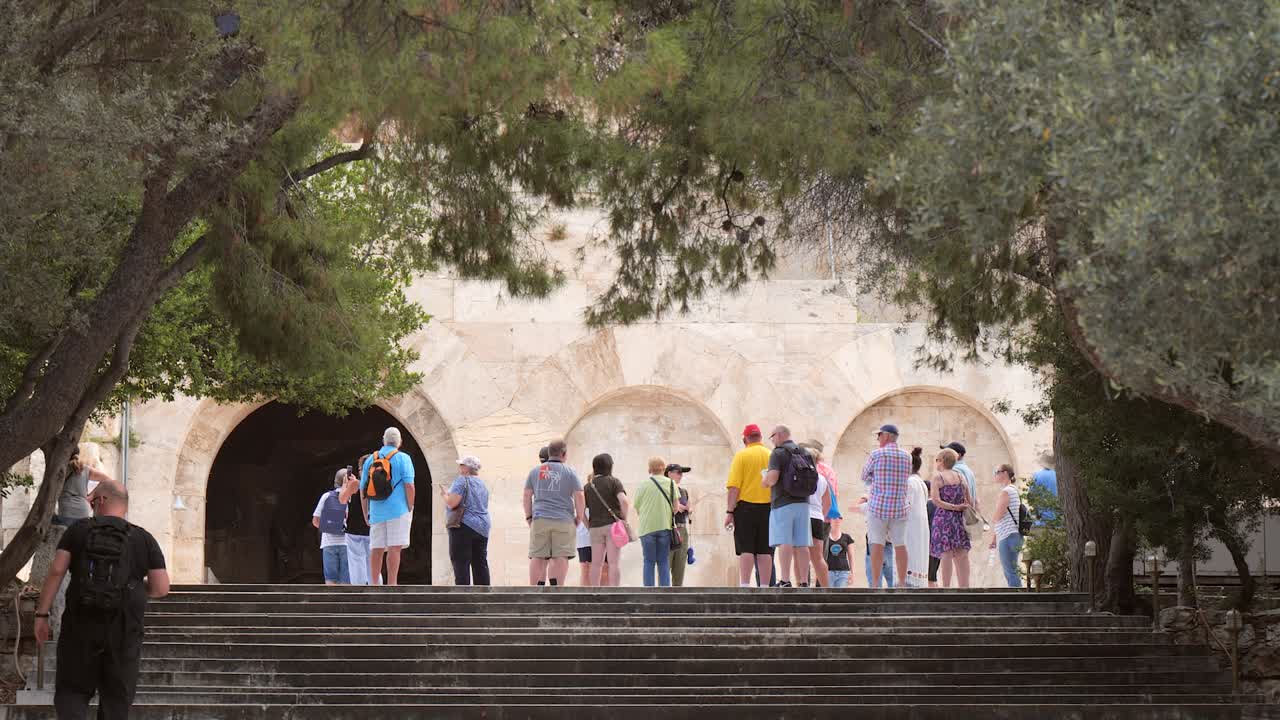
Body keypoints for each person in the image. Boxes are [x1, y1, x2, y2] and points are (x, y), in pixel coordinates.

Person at [34, 480, 169, 720]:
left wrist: (42, 615)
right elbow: (161, 588)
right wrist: (132, 588)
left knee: (72, 693)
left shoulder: (78, 530)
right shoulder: (144, 538)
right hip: (124, 632)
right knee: (116, 702)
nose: (91, 503)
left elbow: (56, 571)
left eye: (93, 498)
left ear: (102, 500)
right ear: (124, 506)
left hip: (80, 626)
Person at [524, 439, 586, 586]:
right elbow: (579, 495)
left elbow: (527, 495)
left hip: (540, 519)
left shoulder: (534, 472)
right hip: (564, 520)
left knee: (537, 556)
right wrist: (579, 516)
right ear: (563, 454)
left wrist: (529, 517)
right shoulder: (570, 472)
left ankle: (534, 591)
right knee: (561, 556)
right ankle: (556, 590)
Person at [360, 427, 416, 586]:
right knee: (394, 547)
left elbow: (363, 489)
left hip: (377, 511)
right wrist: (410, 506)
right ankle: (392, 584)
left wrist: (366, 513)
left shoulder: (371, 459)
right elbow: (409, 485)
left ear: (383, 440)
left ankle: (374, 584)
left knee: (376, 548)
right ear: (400, 442)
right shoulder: (403, 458)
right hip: (398, 510)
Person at [859, 424, 911, 587]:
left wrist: (874, 480)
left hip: (878, 507)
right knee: (900, 544)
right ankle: (902, 581)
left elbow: (864, 475)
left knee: (876, 545)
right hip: (899, 507)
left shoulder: (876, 454)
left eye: (879, 435)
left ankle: (875, 583)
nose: (878, 438)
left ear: (887, 436)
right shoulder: (907, 456)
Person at [724, 424, 774, 587]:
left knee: (746, 548)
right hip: (768, 507)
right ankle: (765, 586)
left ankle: (745, 584)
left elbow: (734, 487)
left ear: (745, 439)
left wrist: (729, 511)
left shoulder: (741, 456)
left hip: (745, 508)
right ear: (760, 437)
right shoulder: (771, 455)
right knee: (765, 550)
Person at [762, 425, 811, 587]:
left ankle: (785, 580)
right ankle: (804, 581)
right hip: (803, 502)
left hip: (783, 502)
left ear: (779, 435)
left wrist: (765, 480)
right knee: (802, 543)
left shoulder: (778, 453)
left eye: (772, 437)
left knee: (785, 541)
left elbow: (773, 479)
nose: (772, 441)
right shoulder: (805, 452)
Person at [443, 455, 491, 586]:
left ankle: (463, 597)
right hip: (483, 527)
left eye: (461, 465)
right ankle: (483, 596)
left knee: (460, 563)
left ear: (466, 468)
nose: (459, 467)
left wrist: (445, 496)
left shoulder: (461, 481)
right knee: (480, 563)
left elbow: (453, 503)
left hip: (463, 525)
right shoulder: (482, 484)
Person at [930, 447, 973, 587]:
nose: (936, 463)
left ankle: (946, 588)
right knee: (962, 553)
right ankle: (965, 587)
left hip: (943, 518)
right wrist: (959, 507)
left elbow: (936, 500)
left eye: (937, 460)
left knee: (946, 553)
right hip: (959, 519)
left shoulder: (938, 477)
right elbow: (969, 501)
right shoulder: (961, 477)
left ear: (942, 461)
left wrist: (953, 507)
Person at [585, 453, 629, 587]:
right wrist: (623, 519)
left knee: (596, 563)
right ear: (609, 466)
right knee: (613, 563)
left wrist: (588, 526)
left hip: (595, 527)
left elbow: (580, 511)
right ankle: (614, 591)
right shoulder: (614, 481)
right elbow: (624, 501)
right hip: (613, 526)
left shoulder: (588, 487)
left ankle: (594, 592)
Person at [312, 470, 350, 585]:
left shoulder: (326, 496)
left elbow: (315, 521)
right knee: (347, 580)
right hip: (347, 544)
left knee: (330, 579)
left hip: (328, 543)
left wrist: (329, 528)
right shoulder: (352, 497)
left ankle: (331, 602)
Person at [990, 463, 1023, 588]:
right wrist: (994, 538)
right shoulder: (1013, 489)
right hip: (1012, 535)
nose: (995, 475)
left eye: (997, 472)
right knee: (1011, 570)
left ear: (1005, 473)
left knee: (1010, 571)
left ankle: (1017, 602)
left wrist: (992, 519)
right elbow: (1002, 519)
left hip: (1008, 536)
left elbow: (998, 515)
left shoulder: (1006, 491)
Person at [803, 447, 831, 587]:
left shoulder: (800, 476)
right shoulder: (822, 479)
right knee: (818, 557)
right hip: (817, 518)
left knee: (802, 555)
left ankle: (802, 586)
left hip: (803, 516)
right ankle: (827, 588)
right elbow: (828, 503)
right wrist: (822, 515)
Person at [904, 448, 930, 588]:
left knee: (911, 559)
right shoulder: (921, 483)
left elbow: (906, 506)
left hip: (911, 526)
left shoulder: (909, 482)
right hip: (920, 526)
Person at [343, 459, 371, 585]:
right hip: (372, 528)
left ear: (361, 470)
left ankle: (359, 589)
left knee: (356, 562)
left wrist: (347, 485)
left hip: (353, 529)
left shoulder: (354, 484)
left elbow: (342, 500)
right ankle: (377, 588)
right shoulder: (378, 485)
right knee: (373, 563)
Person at [665, 463, 692, 586]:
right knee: (666, 565)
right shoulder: (664, 490)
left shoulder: (683, 491)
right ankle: (663, 597)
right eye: (678, 472)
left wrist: (689, 509)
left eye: (682, 473)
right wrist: (674, 506)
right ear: (669, 473)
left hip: (682, 529)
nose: (681, 475)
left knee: (680, 567)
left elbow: (688, 508)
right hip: (669, 530)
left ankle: (677, 597)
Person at [942, 441, 979, 513]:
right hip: (967, 513)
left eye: (948, 453)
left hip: (958, 514)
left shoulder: (955, 470)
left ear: (958, 455)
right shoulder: (967, 469)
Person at [824, 520, 855, 588]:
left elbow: (851, 556)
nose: (836, 520)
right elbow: (819, 555)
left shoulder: (847, 537)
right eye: (834, 518)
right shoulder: (825, 537)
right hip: (828, 572)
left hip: (843, 573)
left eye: (838, 518)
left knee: (841, 596)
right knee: (828, 596)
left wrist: (852, 573)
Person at [1032, 452, 1058, 524]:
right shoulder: (1060, 476)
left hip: (1042, 521)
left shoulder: (1037, 475)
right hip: (1060, 522)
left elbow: (1032, 498)